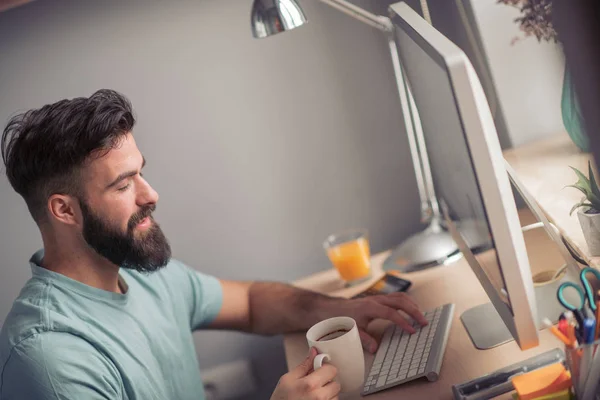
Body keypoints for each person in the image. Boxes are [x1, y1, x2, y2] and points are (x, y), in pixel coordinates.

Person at [0, 90, 427, 400]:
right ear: (65, 210)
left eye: (141, 173)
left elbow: (252, 302)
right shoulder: (50, 360)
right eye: (123, 184)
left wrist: (339, 308)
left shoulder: (135, 270)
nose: (151, 195)